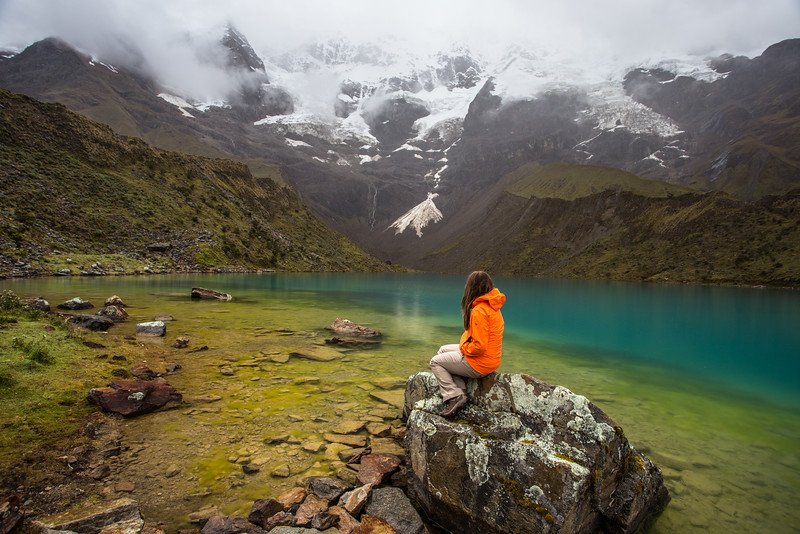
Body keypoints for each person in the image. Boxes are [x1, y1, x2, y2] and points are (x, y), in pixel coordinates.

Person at [430, 271, 506, 418]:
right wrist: (464, 346)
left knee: (435, 362)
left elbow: (479, 346)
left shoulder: (479, 311)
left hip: (479, 362)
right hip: (491, 359)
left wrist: (464, 349)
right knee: (442, 350)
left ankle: (454, 396)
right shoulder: (492, 306)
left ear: (472, 287)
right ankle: (461, 388)